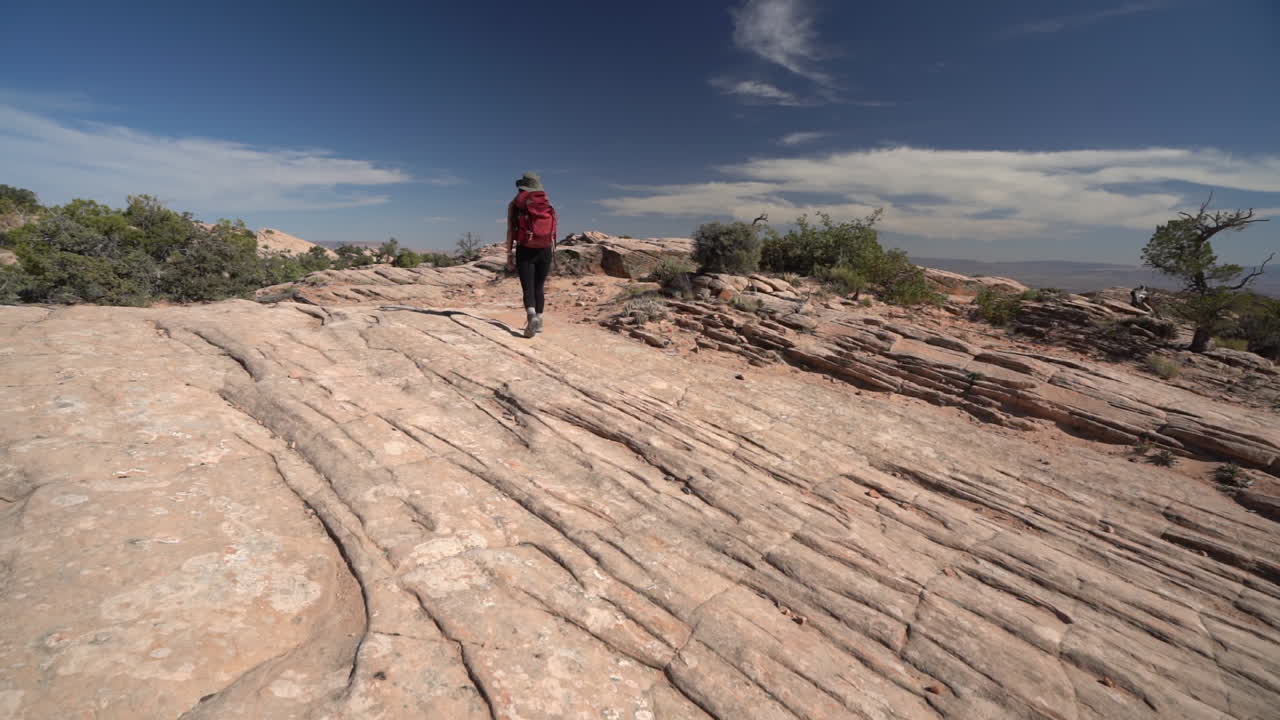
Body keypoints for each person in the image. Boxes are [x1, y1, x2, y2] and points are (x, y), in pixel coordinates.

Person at [506, 172, 558, 338]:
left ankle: (531, 316)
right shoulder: (547, 204)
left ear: (522, 187)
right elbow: (553, 230)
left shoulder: (515, 204)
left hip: (525, 249)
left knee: (527, 287)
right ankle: (539, 320)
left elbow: (510, 230)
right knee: (539, 286)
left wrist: (509, 254)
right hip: (545, 249)